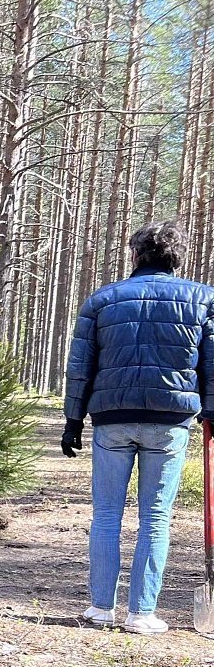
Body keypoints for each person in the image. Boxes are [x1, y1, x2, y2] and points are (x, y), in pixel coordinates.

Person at [62, 221, 214, 635]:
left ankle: (100, 608)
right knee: (156, 517)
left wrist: (73, 419)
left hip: (112, 418)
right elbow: (212, 364)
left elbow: (81, 368)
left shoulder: (103, 300)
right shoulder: (203, 300)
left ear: (135, 255)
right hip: (170, 422)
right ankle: (142, 613)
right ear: (178, 257)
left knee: (107, 513)